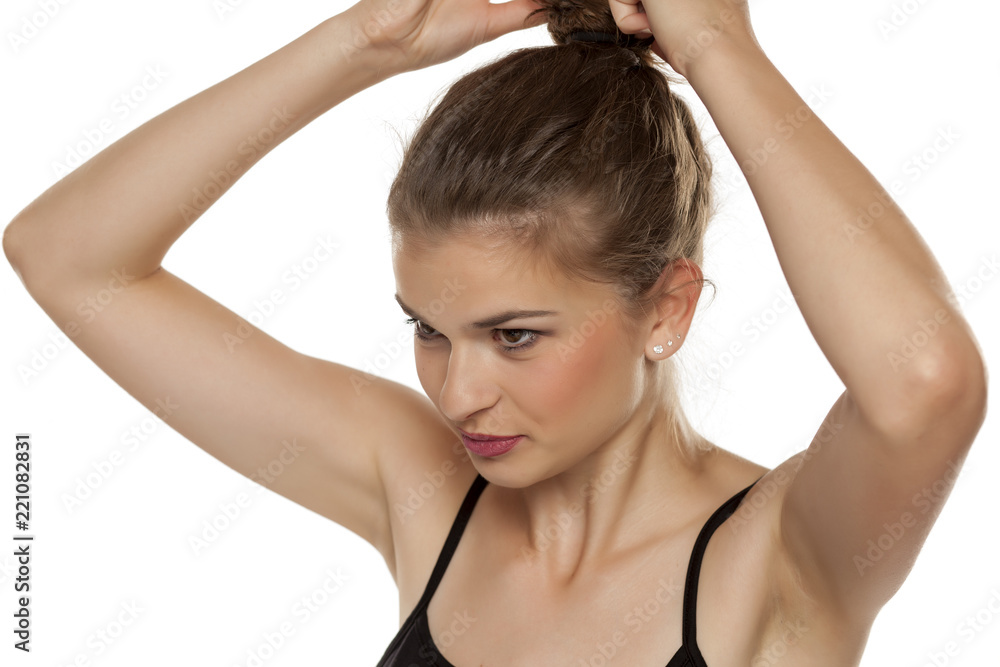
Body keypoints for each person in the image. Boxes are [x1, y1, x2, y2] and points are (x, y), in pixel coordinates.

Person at [3, 0, 988, 664]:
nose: (457, 391)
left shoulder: (774, 560)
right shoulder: (422, 489)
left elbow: (926, 381)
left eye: (514, 335)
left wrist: (721, 50)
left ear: (667, 309)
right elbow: (68, 258)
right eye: (427, 330)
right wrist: (365, 43)